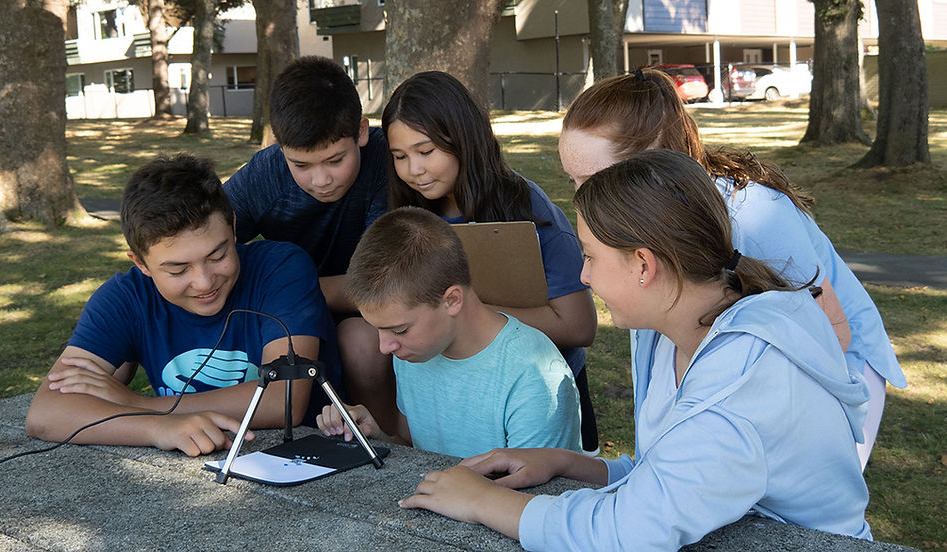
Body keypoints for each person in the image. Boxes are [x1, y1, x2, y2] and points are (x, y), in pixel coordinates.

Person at [398, 150, 873, 550]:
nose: (583, 277)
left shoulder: (740, 380)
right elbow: (671, 473)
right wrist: (567, 464)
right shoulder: (692, 327)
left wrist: (483, 502)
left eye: (589, 257)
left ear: (644, 265)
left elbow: (629, 531)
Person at [557, 69, 906, 468]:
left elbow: (827, 332)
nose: (580, 200)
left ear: (652, 161)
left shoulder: (753, 216)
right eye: (572, 181)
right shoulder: (644, 229)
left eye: (593, 181)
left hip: (841, 371)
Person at [26, 154, 342, 457]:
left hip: (301, 455)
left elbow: (283, 398)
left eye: (218, 255)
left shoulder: (280, 269)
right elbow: (47, 412)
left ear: (233, 227)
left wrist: (139, 404)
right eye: (178, 270)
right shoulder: (125, 298)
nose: (204, 282)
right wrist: (155, 428)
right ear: (141, 263)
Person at [381, 71, 599, 453]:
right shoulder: (410, 215)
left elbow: (579, 325)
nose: (413, 169)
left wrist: (474, 313)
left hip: (535, 397)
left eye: (426, 151)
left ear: (463, 139)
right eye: (400, 156)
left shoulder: (527, 208)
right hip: (452, 398)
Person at [316, 206, 582, 458]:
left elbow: (538, 501)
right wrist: (376, 436)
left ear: (452, 300)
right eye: (379, 330)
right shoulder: (415, 352)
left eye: (399, 330)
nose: (385, 347)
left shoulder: (532, 376)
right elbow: (416, 451)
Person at [222, 56, 396, 430]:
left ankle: (387, 436)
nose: (320, 180)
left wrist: (293, 292)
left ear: (362, 132)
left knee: (362, 343)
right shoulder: (265, 175)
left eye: (335, 160)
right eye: (301, 165)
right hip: (290, 316)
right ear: (279, 146)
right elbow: (202, 239)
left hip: (366, 314)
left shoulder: (388, 162)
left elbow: (387, 285)